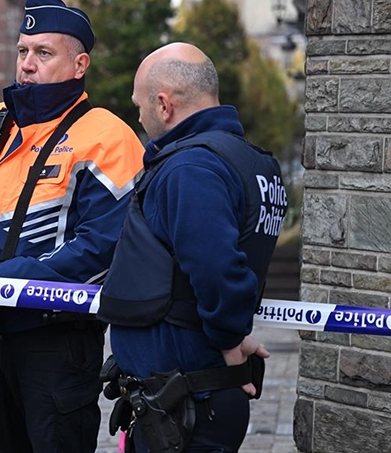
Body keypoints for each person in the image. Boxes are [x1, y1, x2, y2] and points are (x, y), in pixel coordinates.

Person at [0, 0, 144, 453]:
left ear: (80, 64)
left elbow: (105, 247)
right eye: (22, 50)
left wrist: (4, 278)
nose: (27, 64)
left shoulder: (108, 136)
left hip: (56, 342)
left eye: (44, 53)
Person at [97, 42, 286, 452]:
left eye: (140, 105)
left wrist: (228, 338)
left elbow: (217, 269)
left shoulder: (191, 167)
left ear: (164, 105)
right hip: (189, 394)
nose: (139, 116)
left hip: (187, 402)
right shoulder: (251, 162)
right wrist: (231, 334)